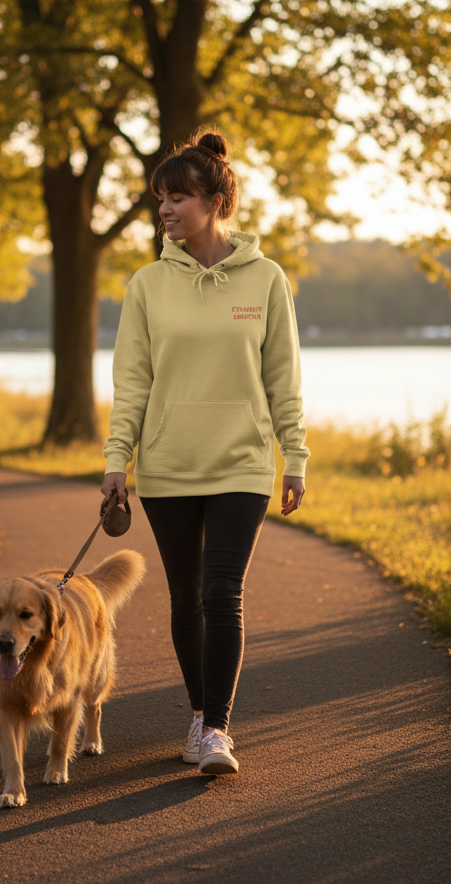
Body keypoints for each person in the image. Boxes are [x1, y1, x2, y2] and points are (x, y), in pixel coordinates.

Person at [101, 130, 309, 776]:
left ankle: (217, 730)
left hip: (242, 464)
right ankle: (197, 714)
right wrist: (117, 463)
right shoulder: (146, 286)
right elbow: (131, 381)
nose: (164, 210)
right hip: (167, 468)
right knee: (186, 597)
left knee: (224, 591)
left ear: (216, 201)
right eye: (160, 198)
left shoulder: (268, 280)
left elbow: (284, 378)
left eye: (178, 197)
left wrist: (294, 457)